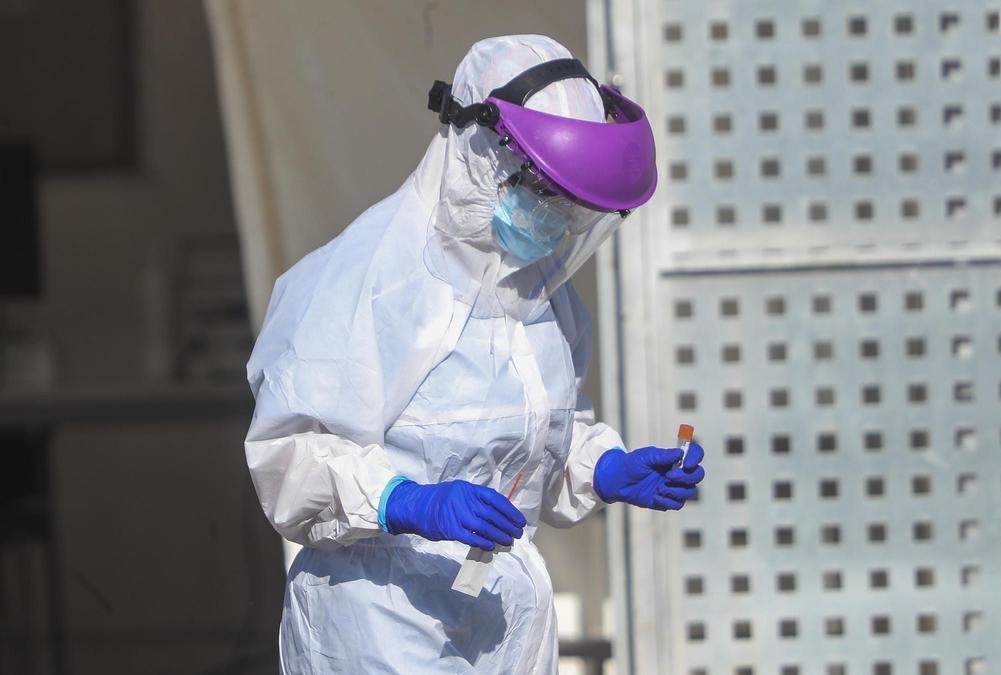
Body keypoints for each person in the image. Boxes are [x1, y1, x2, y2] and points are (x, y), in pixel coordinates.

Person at [244, 35, 706, 673]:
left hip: (499, 629)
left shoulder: (537, 291)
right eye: (539, 188)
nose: (553, 218)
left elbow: (534, 437)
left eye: (567, 203)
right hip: (378, 631)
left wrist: (600, 468)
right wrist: (404, 501)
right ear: (478, 148)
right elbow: (288, 458)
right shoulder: (368, 278)